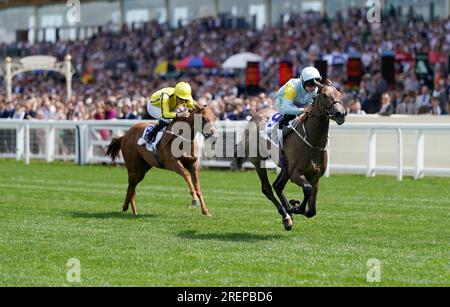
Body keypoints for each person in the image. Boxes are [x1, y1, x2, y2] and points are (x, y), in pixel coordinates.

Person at [274, 66, 322, 143]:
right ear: (303, 82)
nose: (313, 88)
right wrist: (304, 110)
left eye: (315, 84)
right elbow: (287, 108)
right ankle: (276, 139)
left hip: (301, 105)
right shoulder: (291, 87)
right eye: (310, 84)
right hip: (283, 105)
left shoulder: (314, 89)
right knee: (290, 116)